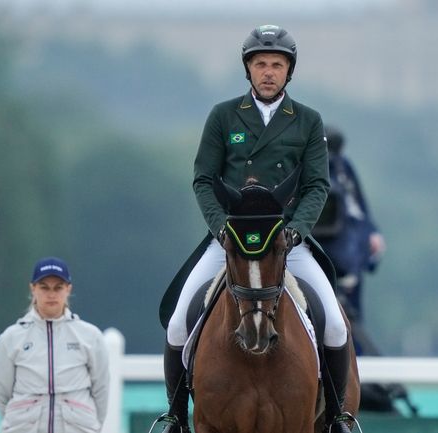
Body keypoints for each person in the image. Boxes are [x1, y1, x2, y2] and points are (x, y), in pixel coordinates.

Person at [158, 25, 355, 433]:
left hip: (285, 241)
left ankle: (336, 417)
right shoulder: (223, 116)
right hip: (230, 239)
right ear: (249, 70)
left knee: (335, 324)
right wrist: (219, 228)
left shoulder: (306, 121)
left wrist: (296, 231)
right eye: (261, 64)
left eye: (277, 65)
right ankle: (176, 418)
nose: (268, 72)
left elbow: (318, 185)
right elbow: (203, 179)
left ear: (288, 71)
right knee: (179, 321)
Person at [0, 257, 110, 433]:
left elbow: (101, 389)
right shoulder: (10, 338)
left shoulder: (90, 336)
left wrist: (89, 424)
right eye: (44, 287)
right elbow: (2, 392)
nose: (51, 294)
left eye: (58, 287)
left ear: (68, 289)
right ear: (33, 288)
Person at [313, 125, 386, 343]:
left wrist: (371, 236)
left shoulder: (343, 169)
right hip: (317, 257)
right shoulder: (308, 169)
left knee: (349, 330)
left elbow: (358, 210)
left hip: (347, 265)